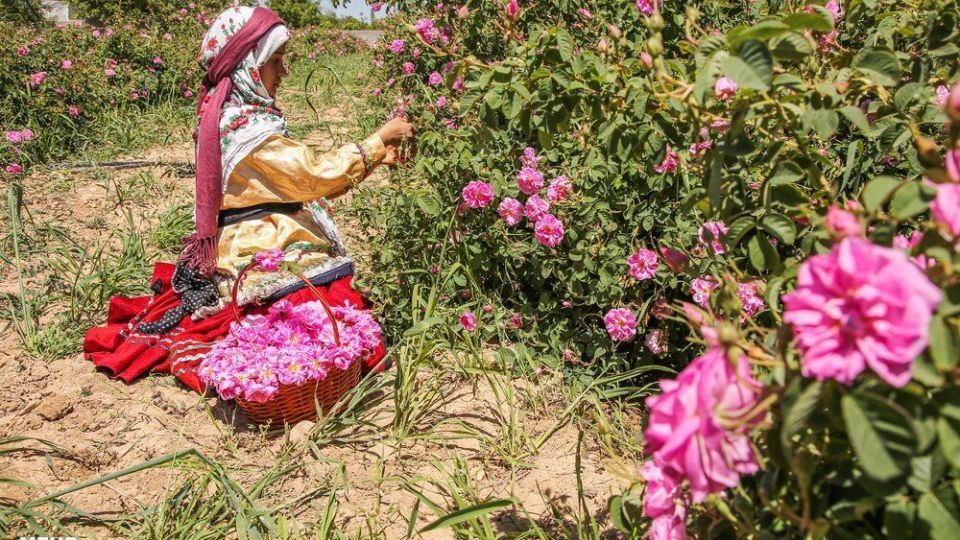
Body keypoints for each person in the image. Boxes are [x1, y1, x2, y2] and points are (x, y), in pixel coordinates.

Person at [84, 6, 413, 392]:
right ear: (249, 68)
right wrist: (378, 141)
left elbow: (291, 184)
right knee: (323, 316)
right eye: (276, 60)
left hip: (250, 236)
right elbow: (311, 177)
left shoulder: (230, 116)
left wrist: (374, 159)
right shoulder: (248, 132)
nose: (284, 71)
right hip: (260, 243)